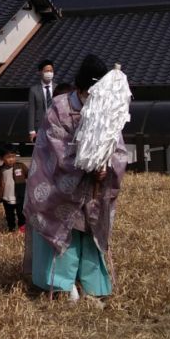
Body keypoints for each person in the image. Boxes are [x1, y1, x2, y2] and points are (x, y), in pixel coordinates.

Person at [23, 53, 127, 301]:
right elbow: (55, 148)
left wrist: (106, 166)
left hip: (94, 186)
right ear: (79, 88)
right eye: (88, 92)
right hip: (60, 184)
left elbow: (119, 147)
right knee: (64, 232)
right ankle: (60, 285)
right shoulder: (59, 108)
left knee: (89, 234)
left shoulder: (108, 109)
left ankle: (93, 287)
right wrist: (87, 164)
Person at [0, 145, 28, 232]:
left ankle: (22, 228)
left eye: (13, 156)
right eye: (8, 157)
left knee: (21, 213)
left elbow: (29, 174)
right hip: (7, 198)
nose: (11, 159)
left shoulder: (21, 166)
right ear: (1, 158)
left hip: (19, 196)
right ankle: (12, 228)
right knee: (9, 215)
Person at [26, 58, 55, 145]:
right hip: (40, 127)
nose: (49, 73)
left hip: (55, 126)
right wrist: (32, 131)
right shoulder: (34, 90)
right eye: (47, 71)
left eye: (51, 70)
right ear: (40, 72)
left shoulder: (57, 88)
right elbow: (31, 111)